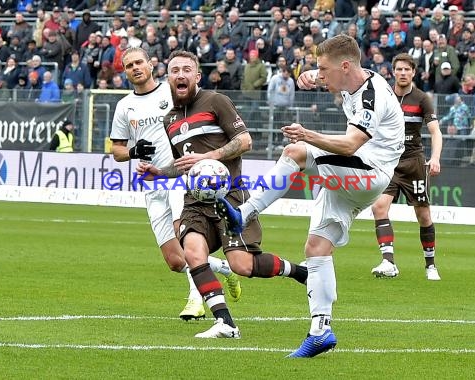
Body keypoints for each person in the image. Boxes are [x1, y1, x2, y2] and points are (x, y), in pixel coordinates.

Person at [215, 35, 405, 357]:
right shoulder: (351, 76)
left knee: (296, 152)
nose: (321, 74)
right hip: (356, 172)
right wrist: (311, 76)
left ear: (345, 66)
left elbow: (349, 145)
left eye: (323, 69)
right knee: (316, 248)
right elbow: (330, 76)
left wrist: (307, 135)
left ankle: (243, 214)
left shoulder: (370, 97)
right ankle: (320, 330)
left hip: (369, 171)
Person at [136, 50, 308, 339]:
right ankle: (225, 322)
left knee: (243, 265)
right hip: (194, 201)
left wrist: (210, 157)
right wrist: (160, 172)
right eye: (174, 70)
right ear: (167, 77)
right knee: (192, 252)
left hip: (230, 197)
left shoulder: (216, 101)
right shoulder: (169, 120)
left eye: (186, 70)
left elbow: (245, 140)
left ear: (197, 76)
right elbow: (186, 164)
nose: (180, 74)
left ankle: (301, 273)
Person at [108, 47, 242, 321]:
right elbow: (117, 151)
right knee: (175, 260)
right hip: (152, 181)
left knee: (186, 238)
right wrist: (134, 152)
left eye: (139, 62)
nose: (135, 68)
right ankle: (225, 269)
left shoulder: (171, 93)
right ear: (125, 71)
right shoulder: (124, 106)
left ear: (150, 64)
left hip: (180, 177)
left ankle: (197, 300)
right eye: (129, 65)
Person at [369, 53, 442, 281]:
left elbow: (435, 132)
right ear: (392, 72)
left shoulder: (421, 98)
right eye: (398, 69)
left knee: (423, 215)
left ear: (413, 72)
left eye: (406, 70)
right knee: (379, 207)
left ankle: (430, 265)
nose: (402, 73)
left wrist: (436, 157)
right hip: (388, 162)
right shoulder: (383, 96)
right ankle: (388, 262)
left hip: (414, 163)